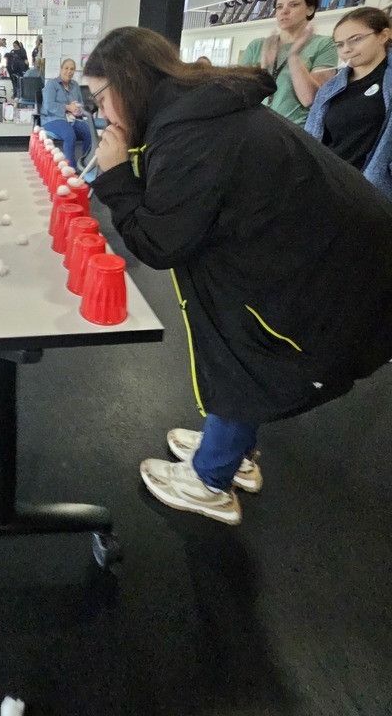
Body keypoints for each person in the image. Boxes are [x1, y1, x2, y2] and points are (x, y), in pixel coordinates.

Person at [84, 26, 392, 526]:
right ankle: (232, 449)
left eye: (100, 98)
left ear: (127, 82)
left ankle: (211, 479)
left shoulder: (191, 133)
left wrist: (116, 175)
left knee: (248, 344)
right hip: (330, 250)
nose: (101, 113)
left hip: (333, 269)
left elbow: (161, 243)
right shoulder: (199, 108)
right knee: (239, 335)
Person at [305, 7, 392, 200]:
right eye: (340, 44)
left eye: (356, 39)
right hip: (331, 183)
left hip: (372, 192)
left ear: (383, 35)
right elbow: (314, 136)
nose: (346, 49)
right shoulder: (331, 88)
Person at [241, 0, 337, 125]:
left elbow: (309, 99)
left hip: (294, 132)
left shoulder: (324, 44)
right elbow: (241, 94)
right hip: (256, 127)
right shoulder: (257, 45)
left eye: (293, 5)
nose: (284, 11)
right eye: (279, 7)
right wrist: (262, 69)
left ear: (310, 9)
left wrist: (293, 57)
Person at [40, 58, 93, 169]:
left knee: (88, 133)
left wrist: (78, 109)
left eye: (72, 69)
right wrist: (68, 107)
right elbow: (49, 106)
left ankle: (86, 165)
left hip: (71, 119)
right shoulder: (52, 84)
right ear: (61, 69)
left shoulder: (75, 85)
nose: (69, 71)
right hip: (52, 119)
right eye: (66, 68)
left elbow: (80, 104)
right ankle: (71, 169)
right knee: (70, 136)